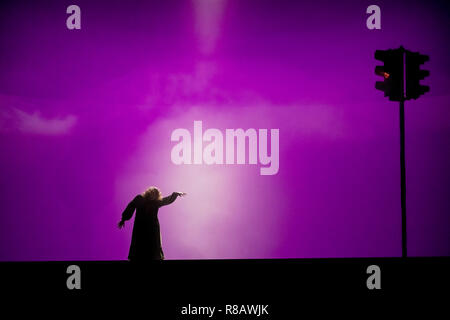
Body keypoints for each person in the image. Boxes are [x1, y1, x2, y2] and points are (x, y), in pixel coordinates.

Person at [118, 186, 186, 261]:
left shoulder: (156, 202)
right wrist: (124, 219)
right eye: (152, 192)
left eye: (155, 194)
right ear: (149, 192)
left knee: (154, 243)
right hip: (141, 226)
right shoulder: (140, 198)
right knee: (139, 241)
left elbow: (167, 200)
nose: (153, 195)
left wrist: (176, 194)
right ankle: (137, 257)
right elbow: (130, 206)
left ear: (157, 195)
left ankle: (155, 257)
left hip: (152, 227)